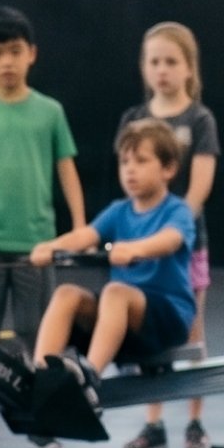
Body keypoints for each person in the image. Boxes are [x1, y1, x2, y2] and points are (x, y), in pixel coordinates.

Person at [0, 6, 84, 448]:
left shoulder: (49, 112)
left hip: (37, 247)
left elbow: (67, 171)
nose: (6, 61)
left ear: (31, 54)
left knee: (38, 335)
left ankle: (38, 420)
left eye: (14, 51)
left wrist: (79, 230)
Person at [27, 119, 197, 419]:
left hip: (168, 318)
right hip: (123, 317)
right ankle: (41, 381)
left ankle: (89, 380)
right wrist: (51, 247)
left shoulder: (177, 210)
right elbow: (85, 236)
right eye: (124, 162)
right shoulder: (119, 210)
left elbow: (171, 240)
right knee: (67, 294)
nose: (130, 170)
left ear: (168, 169)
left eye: (141, 161)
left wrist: (135, 248)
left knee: (115, 291)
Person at [118, 22, 220, 448]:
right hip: (142, 247)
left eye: (171, 61)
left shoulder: (199, 120)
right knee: (151, 335)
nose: (162, 70)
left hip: (186, 246)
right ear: (144, 67)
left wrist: (173, 231)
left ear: (188, 68)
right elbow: (131, 180)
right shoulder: (133, 120)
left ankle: (195, 423)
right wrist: (142, 237)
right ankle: (153, 424)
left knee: (192, 330)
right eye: (154, 61)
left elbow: (199, 187)